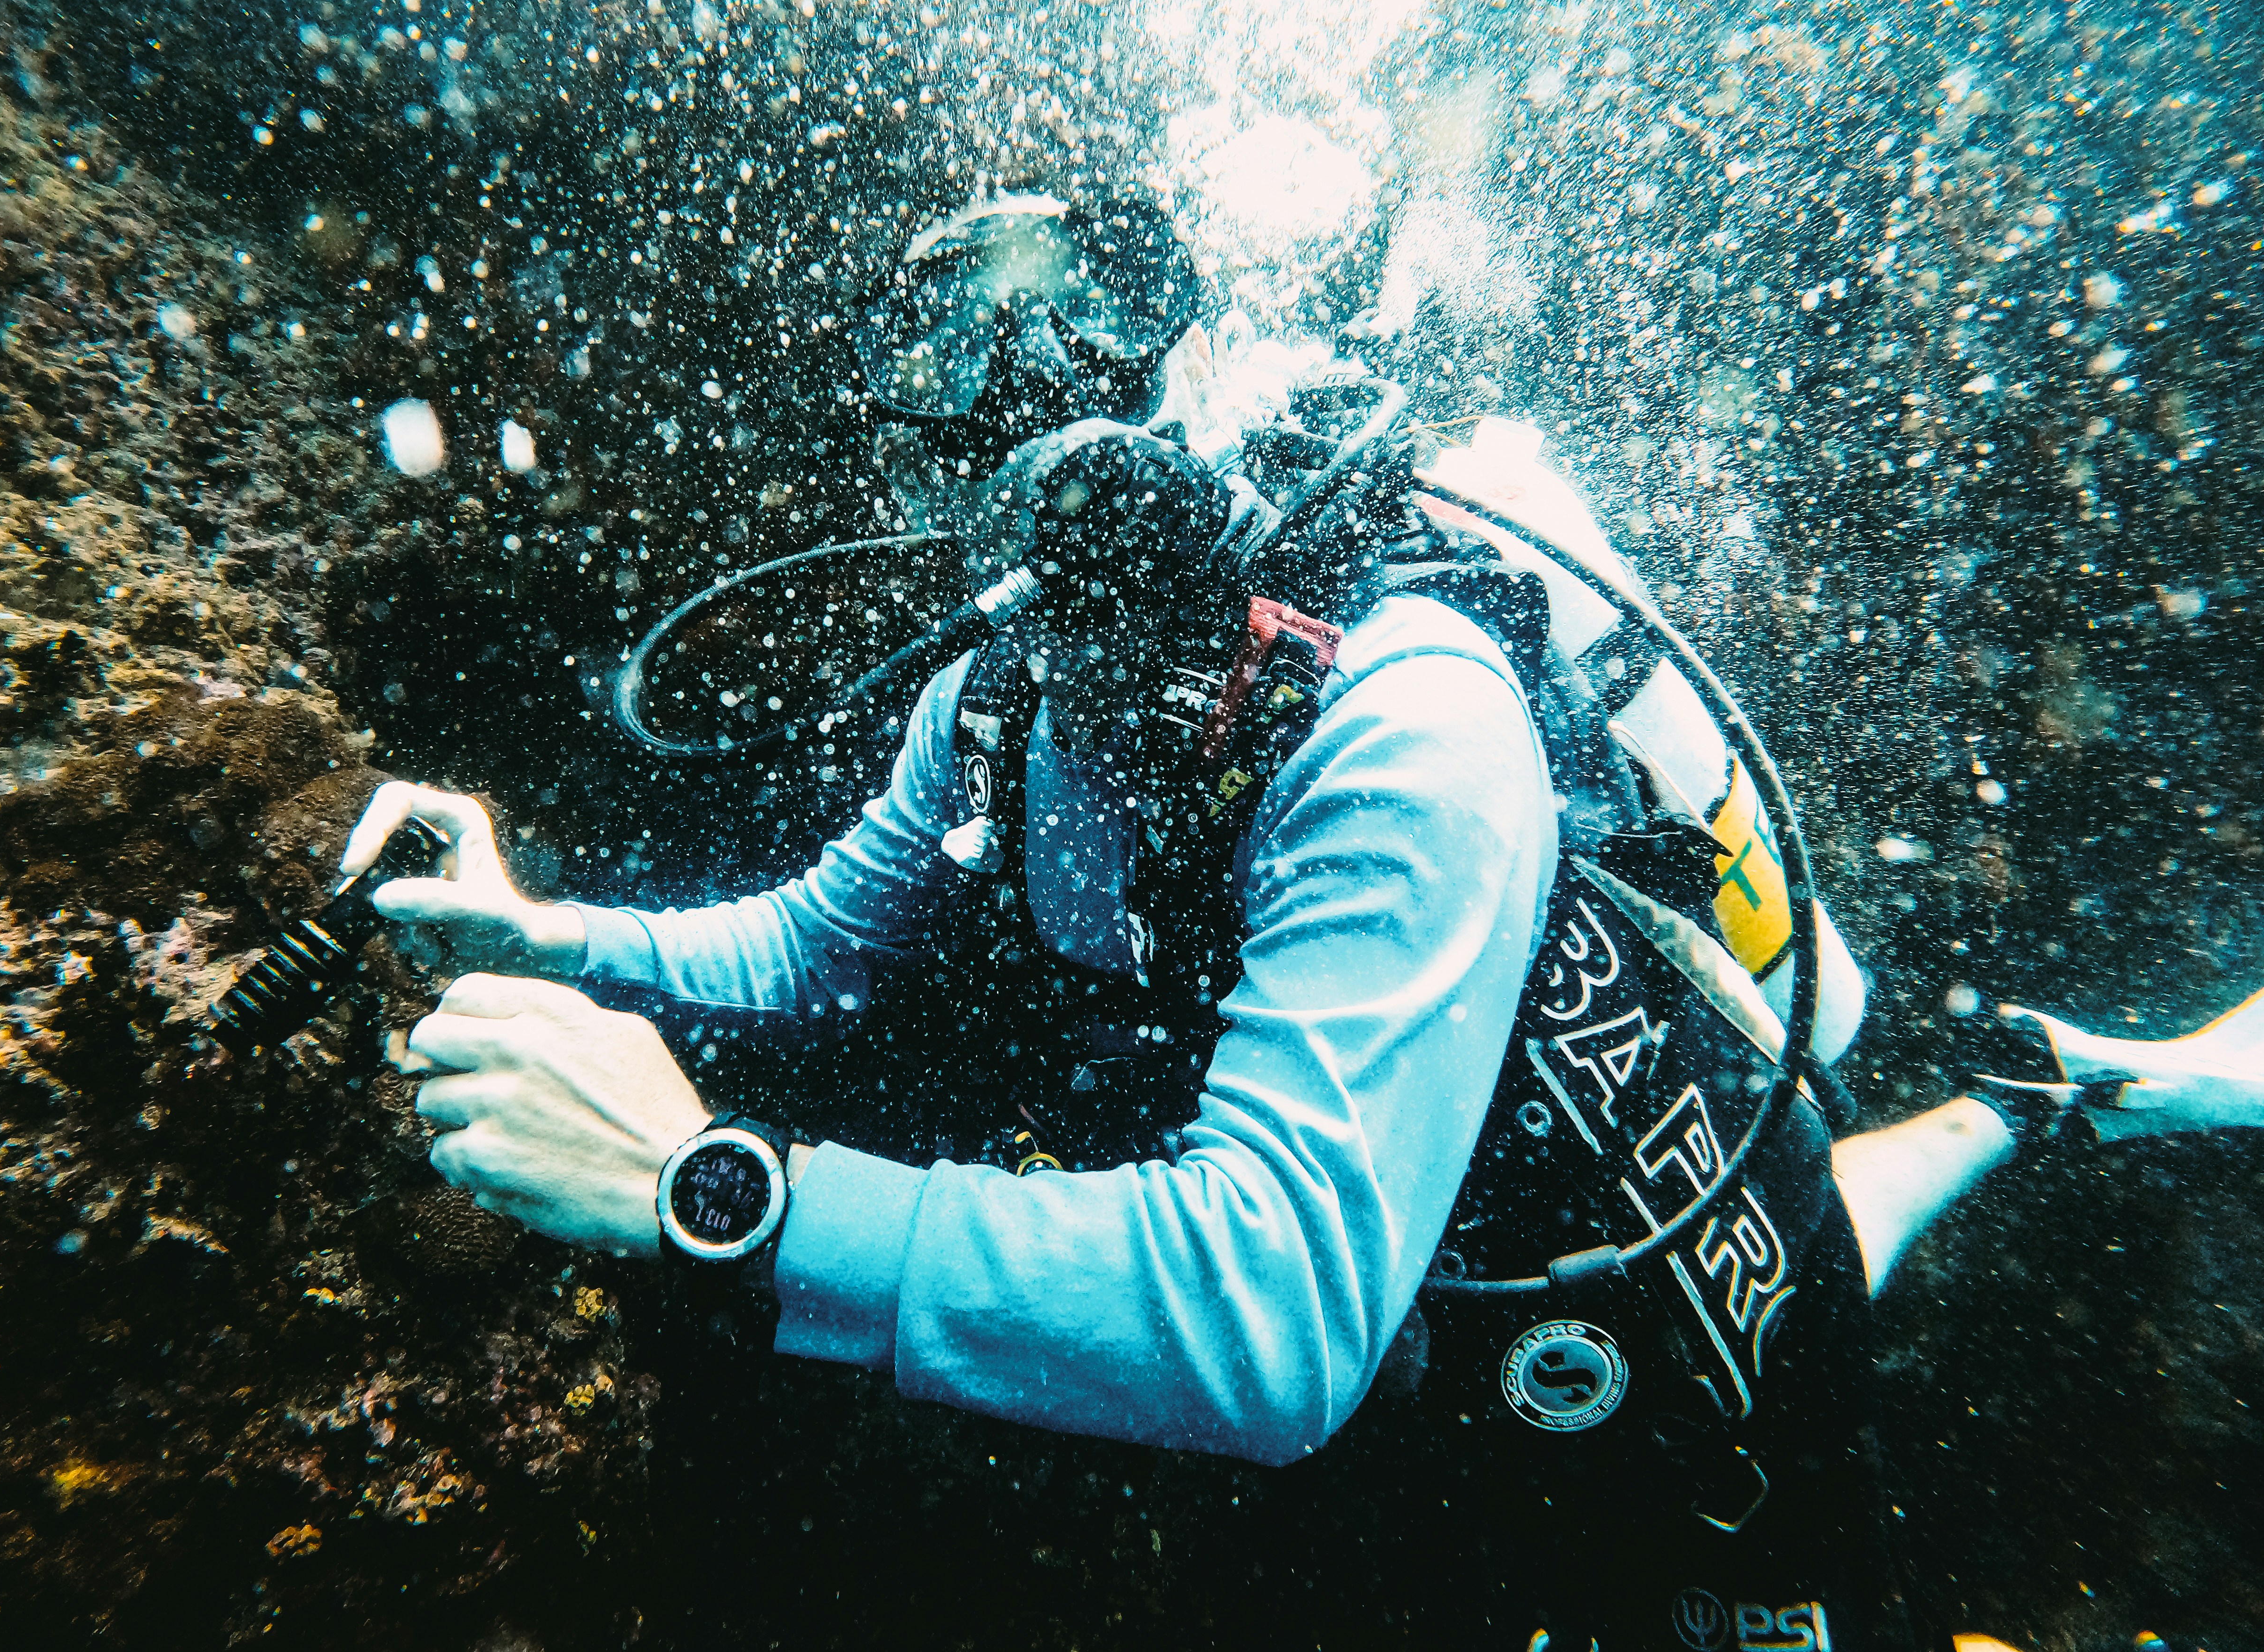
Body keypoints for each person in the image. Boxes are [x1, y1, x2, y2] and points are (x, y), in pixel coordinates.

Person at [338, 194, 2247, 1650]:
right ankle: (2034, 1084)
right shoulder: (996, 697)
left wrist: (714, 1191)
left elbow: (1268, 1318)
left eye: (1069, 349)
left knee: (1803, 1291)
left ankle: (2034, 1089)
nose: (1020, 427)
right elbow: (815, 942)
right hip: (1437, 1342)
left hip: (1647, 1300)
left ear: (1181, 395)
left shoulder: (1406, 708)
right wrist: (537, 930)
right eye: (950, 360)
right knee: (1841, 1213)